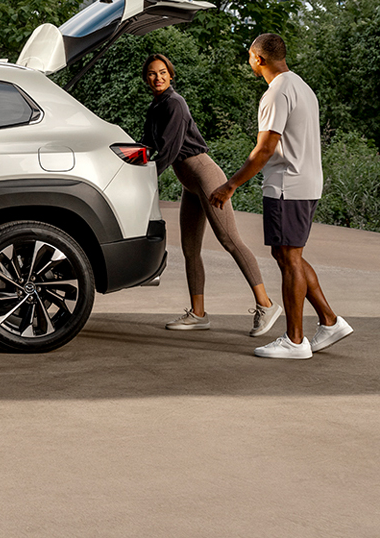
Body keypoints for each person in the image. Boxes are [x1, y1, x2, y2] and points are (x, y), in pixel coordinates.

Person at [210, 33, 353, 359]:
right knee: (289, 255)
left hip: (289, 186)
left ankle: (294, 340)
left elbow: (264, 150)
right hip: (304, 183)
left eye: (250, 56)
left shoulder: (277, 93)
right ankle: (330, 322)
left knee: (289, 259)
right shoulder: (301, 87)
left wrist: (230, 185)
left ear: (257, 58)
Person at [140, 53, 281, 335]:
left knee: (230, 240)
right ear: (146, 79)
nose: (158, 78)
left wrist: (144, 178)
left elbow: (168, 149)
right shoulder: (155, 107)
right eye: (152, 74)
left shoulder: (175, 104)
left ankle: (266, 304)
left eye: (163, 72)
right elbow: (145, 144)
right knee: (190, 249)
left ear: (171, 75)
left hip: (205, 176)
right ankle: (199, 314)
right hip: (189, 183)